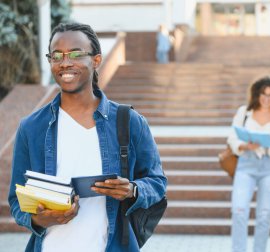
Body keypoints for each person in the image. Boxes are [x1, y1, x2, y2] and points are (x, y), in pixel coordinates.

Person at [7, 22, 167, 252]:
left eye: (75, 54)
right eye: (57, 55)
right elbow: (16, 200)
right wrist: (41, 219)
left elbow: (157, 182)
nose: (65, 63)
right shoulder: (31, 128)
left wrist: (132, 189)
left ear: (96, 60)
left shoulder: (129, 121)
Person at [228, 76, 270, 252]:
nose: (266, 98)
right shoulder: (244, 112)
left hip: (269, 167)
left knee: (264, 216)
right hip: (246, 164)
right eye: (263, 94)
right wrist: (244, 145)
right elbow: (232, 137)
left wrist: (265, 145)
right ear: (257, 94)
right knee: (239, 211)